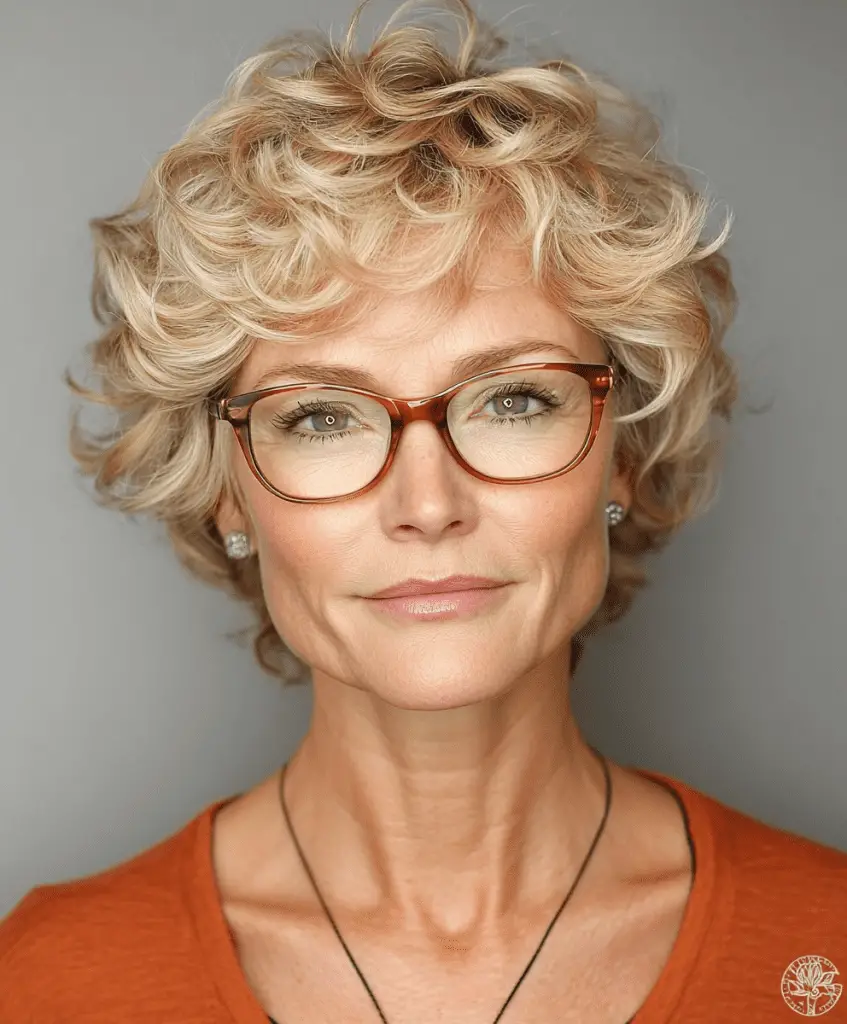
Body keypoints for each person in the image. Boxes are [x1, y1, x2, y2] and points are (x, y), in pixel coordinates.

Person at [2, 0, 845, 1020]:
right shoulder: (45, 984)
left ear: (620, 454)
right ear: (226, 485)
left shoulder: (824, 945)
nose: (428, 502)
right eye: (321, 417)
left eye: (514, 399)